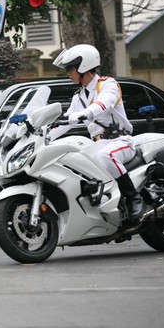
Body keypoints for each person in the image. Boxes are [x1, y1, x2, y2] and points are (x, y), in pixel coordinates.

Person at [48, 44, 144, 222]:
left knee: (105, 156)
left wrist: (84, 113)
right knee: (74, 162)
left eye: (70, 69)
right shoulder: (79, 97)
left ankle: (133, 197)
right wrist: (45, 136)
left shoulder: (108, 84)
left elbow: (103, 104)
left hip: (120, 141)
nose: (68, 73)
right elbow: (66, 122)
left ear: (83, 67)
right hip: (97, 144)